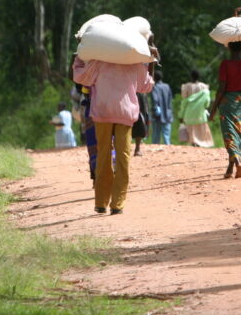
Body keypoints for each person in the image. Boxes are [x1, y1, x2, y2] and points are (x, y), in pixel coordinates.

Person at [73, 46, 157, 215]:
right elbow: (147, 85)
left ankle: (103, 202)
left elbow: (80, 76)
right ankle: (114, 203)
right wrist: (151, 61)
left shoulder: (98, 63)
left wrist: (79, 58)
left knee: (104, 156)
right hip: (123, 115)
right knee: (123, 158)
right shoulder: (133, 64)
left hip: (104, 114)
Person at [209, 41, 241, 178]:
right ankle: (231, 168)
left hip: (226, 103)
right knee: (239, 132)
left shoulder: (225, 64)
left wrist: (213, 109)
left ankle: (237, 161)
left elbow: (221, 89)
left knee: (229, 134)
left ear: (229, 47)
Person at [179, 70, 215, 148]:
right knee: (200, 128)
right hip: (200, 112)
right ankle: (200, 142)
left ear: (191, 76)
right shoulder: (204, 87)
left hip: (189, 112)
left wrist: (181, 115)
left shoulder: (186, 86)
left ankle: (193, 142)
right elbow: (207, 101)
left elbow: (184, 100)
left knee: (191, 128)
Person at [150, 70, 173, 145]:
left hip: (158, 115)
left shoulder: (155, 87)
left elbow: (154, 100)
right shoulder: (167, 86)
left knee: (156, 135)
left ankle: (155, 152)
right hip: (167, 114)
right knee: (166, 136)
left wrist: (154, 110)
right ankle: (168, 150)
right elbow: (170, 100)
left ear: (154, 78)